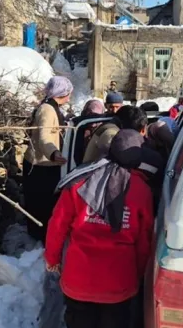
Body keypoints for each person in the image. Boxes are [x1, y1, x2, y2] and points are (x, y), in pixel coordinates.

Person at [45, 130, 154, 328]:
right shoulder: (142, 190)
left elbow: (57, 224)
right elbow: (144, 241)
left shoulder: (78, 182)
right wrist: (136, 274)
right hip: (119, 282)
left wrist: (52, 258)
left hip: (78, 279)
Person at [22, 76, 72, 242]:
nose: (69, 97)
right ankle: (39, 238)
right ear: (63, 93)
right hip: (41, 164)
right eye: (68, 93)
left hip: (46, 162)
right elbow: (44, 136)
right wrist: (54, 153)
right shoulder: (47, 110)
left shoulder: (52, 107)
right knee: (41, 203)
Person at [81, 100, 128, 164]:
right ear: (106, 106)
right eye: (111, 107)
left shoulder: (116, 123)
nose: (114, 110)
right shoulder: (81, 125)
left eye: (117, 107)